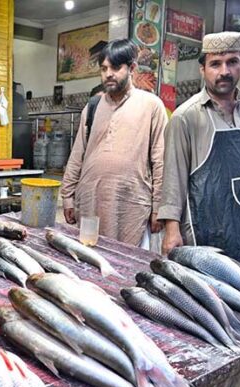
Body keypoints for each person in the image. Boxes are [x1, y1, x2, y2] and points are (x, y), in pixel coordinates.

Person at [158, 31, 240, 288]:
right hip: (206, 228)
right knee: (210, 304)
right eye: (215, 64)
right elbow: (174, 178)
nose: (224, 71)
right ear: (202, 69)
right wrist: (171, 229)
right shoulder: (186, 117)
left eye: (232, 62)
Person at [61, 39, 167, 246]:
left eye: (116, 67)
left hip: (131, 205)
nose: (108, 74)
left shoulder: (151, 106)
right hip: (91, 201)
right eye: (104, 68)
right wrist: (67, 196)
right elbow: (77, 155)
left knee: (129, 264)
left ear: (132, 68)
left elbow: (160, 160)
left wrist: (158, 208)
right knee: (90, 262)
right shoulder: (92, 107)